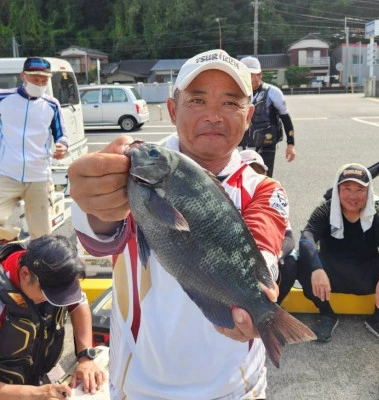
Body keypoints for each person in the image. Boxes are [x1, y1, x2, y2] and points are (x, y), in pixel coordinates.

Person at [69, 49, 290, 399]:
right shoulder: (130, 170)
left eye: (231, 103)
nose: (214, 116)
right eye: (198, 100)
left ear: (248, 117)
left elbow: (264, 246)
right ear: (173, 109)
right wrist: (94, 198)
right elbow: (98, 237)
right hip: (139, 387)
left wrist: (261, 296)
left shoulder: (263, 188)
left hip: (236, 389)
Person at [0, 234, 106, 399]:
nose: (55, 301)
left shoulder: (56, 271)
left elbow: (78, 303)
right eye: (49, 295)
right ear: (25, 274)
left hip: (41, 371)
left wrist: (86, 356)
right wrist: (35, 393)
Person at [298, 163, 379, 342]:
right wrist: (316, 269)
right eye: (347, 188)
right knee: (300, 261)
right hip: (331, 276)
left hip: (366, 275)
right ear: (338, 190)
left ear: (368, 192)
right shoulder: (325, 211)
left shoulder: (377, 216)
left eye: (359, 190)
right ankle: (327, 314)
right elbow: (306, 238)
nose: (352, 196)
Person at [0, 57, 68, 243]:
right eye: (34, 78)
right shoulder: (3, 98)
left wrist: (63, 146)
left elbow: (61, 135)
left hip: (39, 176)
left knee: (42, 236)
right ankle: (11, 236)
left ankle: (38, 270)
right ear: (23, 76)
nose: (39, 83)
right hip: (6, 173)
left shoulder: (52, 104)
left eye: (44, 79)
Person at [240, 149, 298, 305]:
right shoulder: (232, 194)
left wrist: (277, 254)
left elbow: (289, 237)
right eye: (247, 171)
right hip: (240, 255)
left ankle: (274, 305)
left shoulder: (272, 195)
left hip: (268, 255)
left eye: (257, 171)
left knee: (291, 264)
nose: (253, 175)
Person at [238, 56, 295, 177]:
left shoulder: (272, 92)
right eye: (244, 74)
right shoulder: (236, 93)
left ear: (259, 75)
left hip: (266, 144)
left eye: (250, 75)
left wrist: (291, 144)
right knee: (242, 179)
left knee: (264, 179)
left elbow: (285, 118)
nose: (246, 78)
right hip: (242, 145)